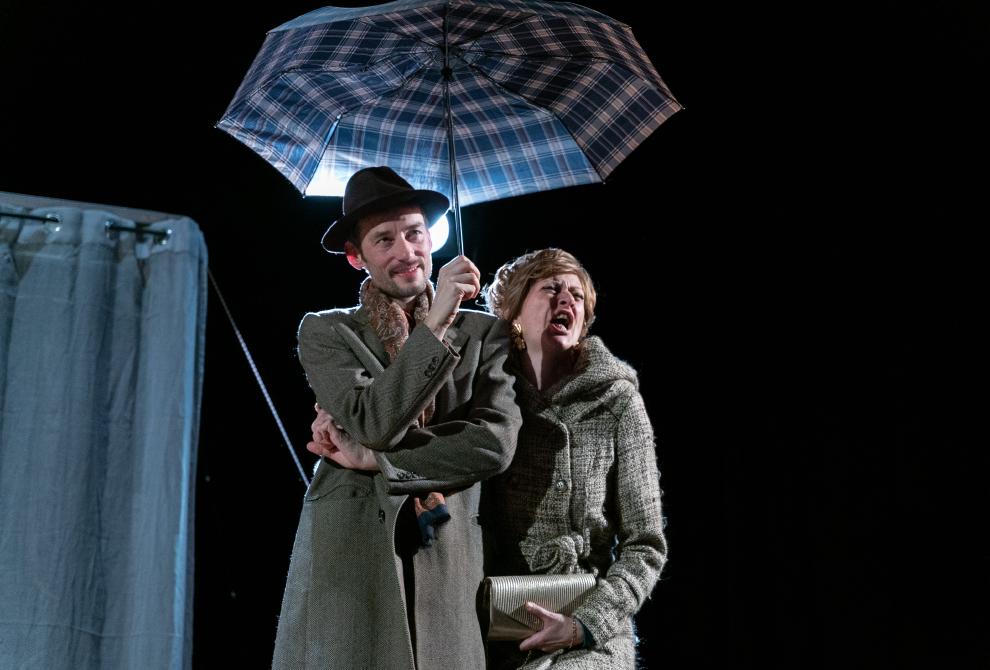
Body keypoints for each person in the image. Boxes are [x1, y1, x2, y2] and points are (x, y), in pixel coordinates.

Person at [272, 166, 521, 670]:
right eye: (384, 240)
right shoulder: (326, 332)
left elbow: (494, 446)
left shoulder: (485, 334)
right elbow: (375, 422)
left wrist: (377, 463)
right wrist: (436, 322)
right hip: (352, 553)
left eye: (414, 233)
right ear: (356, 257)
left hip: (449, 550)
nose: (406, 251)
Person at [482, 248, 667, 669]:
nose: (566, 299)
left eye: (577, 295)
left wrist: (583, 625)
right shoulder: (489, 395)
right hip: (497, 622)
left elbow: (646, 545)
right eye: (551, 288)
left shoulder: (616, 401)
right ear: (514, 313)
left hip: (585, 631)